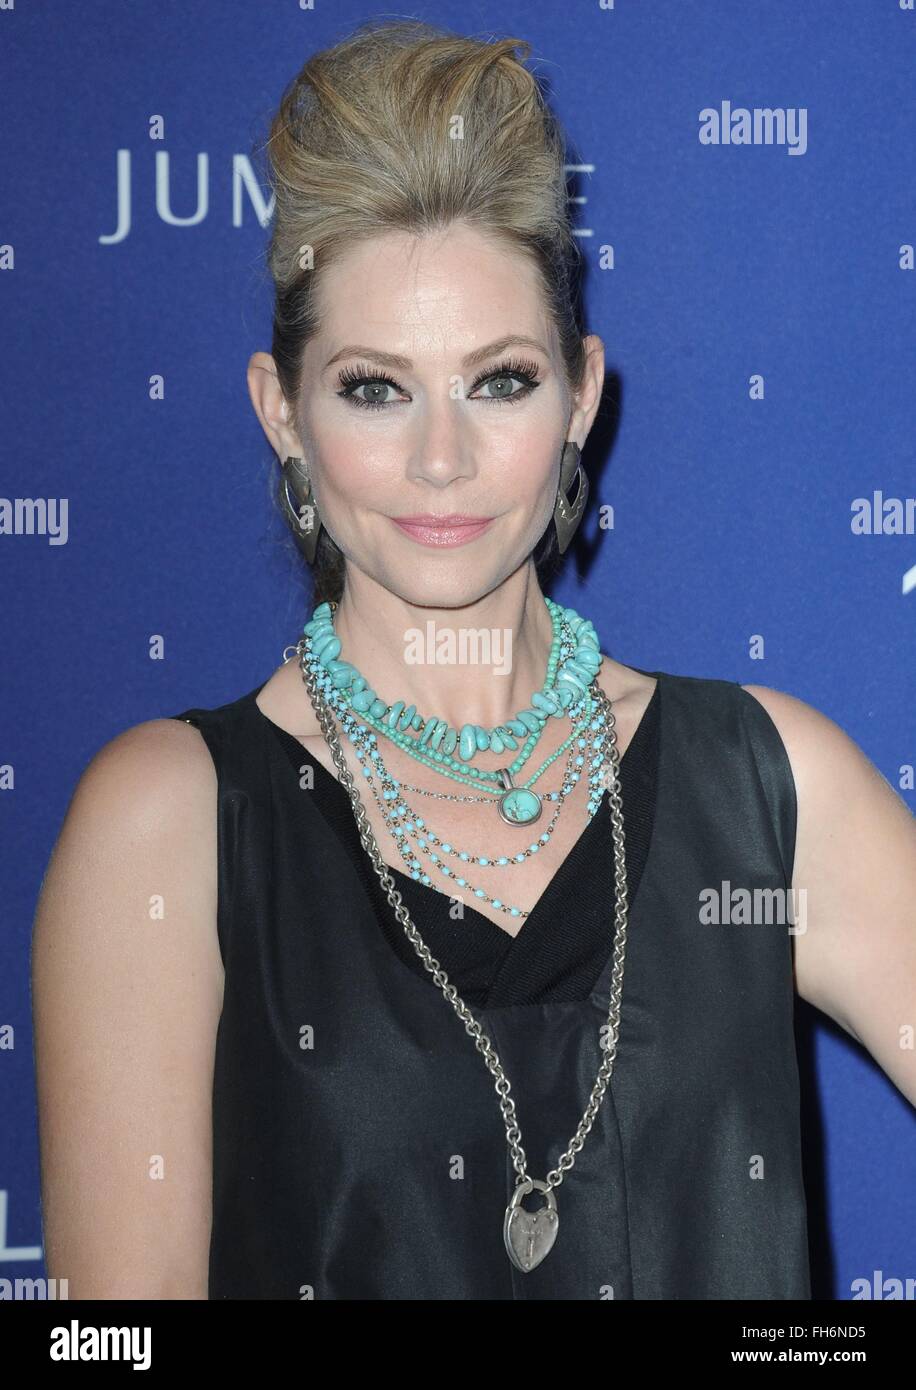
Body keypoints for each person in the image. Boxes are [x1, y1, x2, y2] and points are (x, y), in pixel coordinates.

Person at [31, 19, 916, 1301]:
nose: (440, 460)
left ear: (580, 394)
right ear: (282, 412)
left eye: (498, 382)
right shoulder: (167, 821)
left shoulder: (767, 785)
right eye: (374, 388)